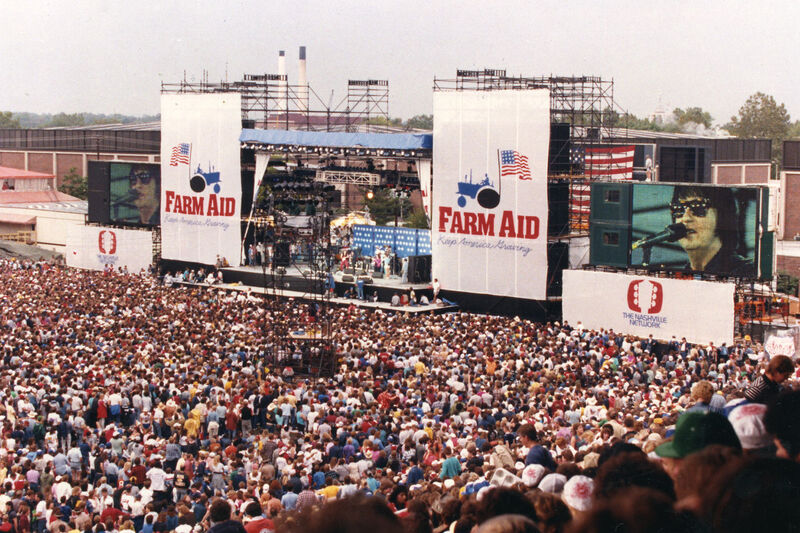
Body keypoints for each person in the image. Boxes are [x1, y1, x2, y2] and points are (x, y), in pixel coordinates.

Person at [669, 186, 753, 276]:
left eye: (698, 207)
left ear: (723, 217)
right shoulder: (682, 277)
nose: (685, 218)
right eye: (678, 208)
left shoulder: (747, 271)